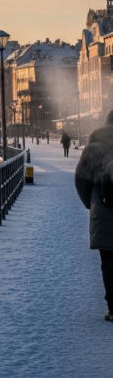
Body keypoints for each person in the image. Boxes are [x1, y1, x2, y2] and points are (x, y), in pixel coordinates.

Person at [75, 109, 113, 322]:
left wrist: (90, 204)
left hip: (103, 211)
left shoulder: (93, 149)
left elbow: (80, 181)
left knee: (109, 262)